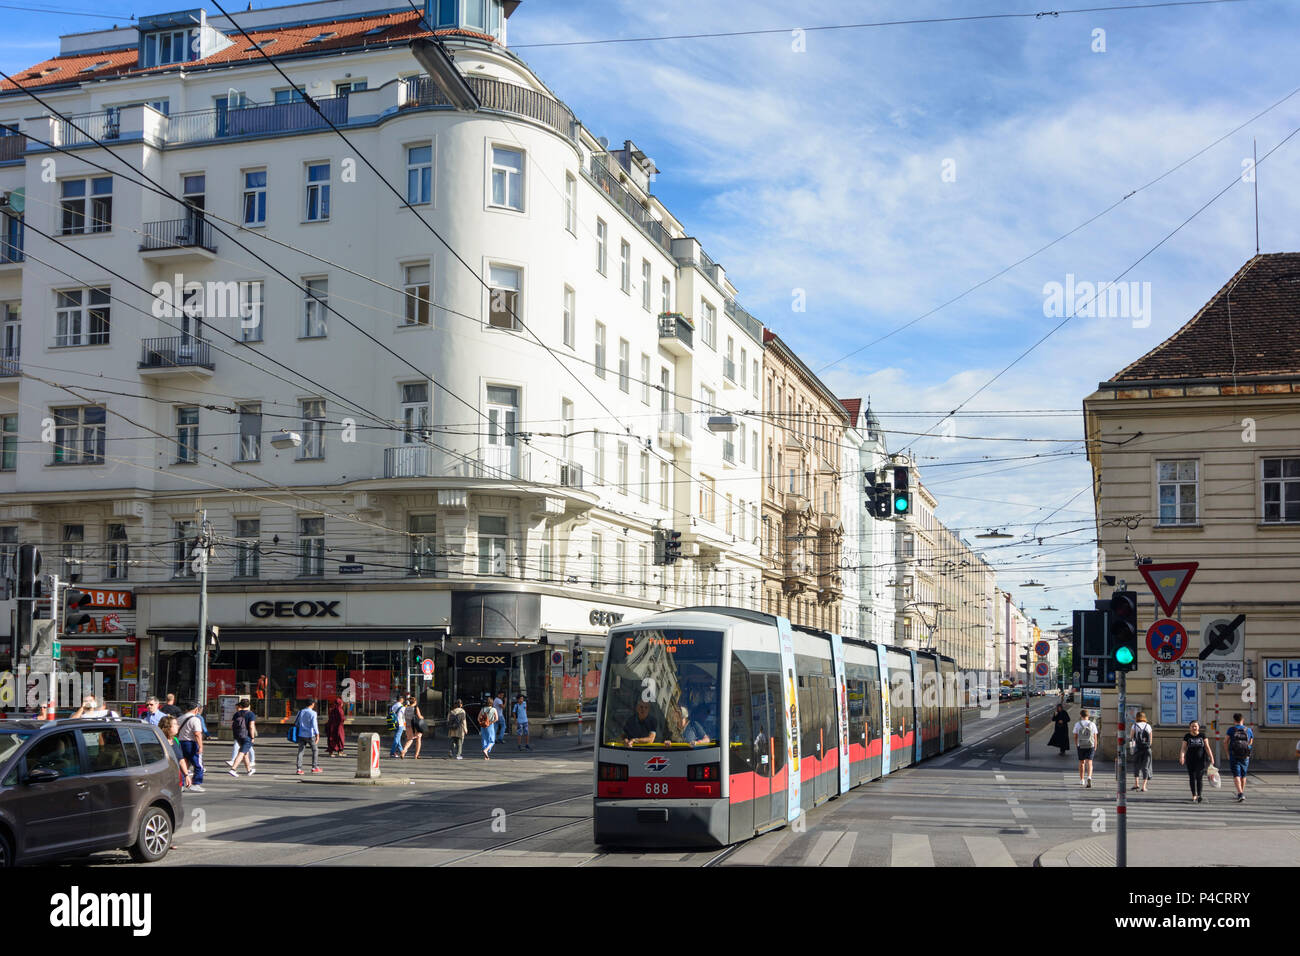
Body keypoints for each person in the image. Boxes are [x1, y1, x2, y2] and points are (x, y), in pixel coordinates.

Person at [1179, 719, 1215, 803]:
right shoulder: (1187, 736)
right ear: (1190, 727)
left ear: (1198, 727)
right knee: (1192, 777)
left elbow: (1207, 747)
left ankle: (1199, 795)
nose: (1194, 728)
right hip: (1190, 760)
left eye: (1196, 726)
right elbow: (1183, 748)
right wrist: (1182, 757)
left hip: (1201, 760)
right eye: (1192, 726)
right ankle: (1193, 795)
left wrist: (1212, 758)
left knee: (1199, 777)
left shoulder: (1203, 736)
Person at [175, 701, 206, 792]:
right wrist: (200, 746)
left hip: (181, 743)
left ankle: (181, 784)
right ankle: (196, 783)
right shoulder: (195, 719)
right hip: (191, 743)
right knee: (198, 764)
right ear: (196, 710)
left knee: (183, 763)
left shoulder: (179, 718)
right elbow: (197, 734)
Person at [1225, 713, 1253, 802]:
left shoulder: (1231, 730)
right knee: (1243, 774)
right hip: (1245, 755)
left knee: (1236, 774)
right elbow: (1250, 742)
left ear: (1234, 720)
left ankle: (1240, 793)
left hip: (1234, 754)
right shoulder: (1248, 730)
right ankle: (1241, 792)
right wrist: (1246, 748)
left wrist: (1227, 753)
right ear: (1242, 720)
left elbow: (1225, 741)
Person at [159, 716, 191, 789]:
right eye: (175, 724)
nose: (178, 726)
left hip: (176, 778)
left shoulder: (175, 740)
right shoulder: (160, 741)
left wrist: (186, 775)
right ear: (168, 727)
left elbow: (181, 759)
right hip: (163, 779)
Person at [227, 698, 256, 776]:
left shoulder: (237, 714)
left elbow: (232, 725)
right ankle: (233, 769)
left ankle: (249, 770)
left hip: (238, 735)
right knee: (241, 752)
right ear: (249, 705)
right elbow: (251, 726)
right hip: (247, 736)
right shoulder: (251, 714)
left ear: (240, 705)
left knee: (245, 753)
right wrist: (252, 737)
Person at [294, 698, 322, 775]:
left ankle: (299, 769)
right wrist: (317, 734)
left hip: (301, 734)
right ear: (312, 704)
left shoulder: (301, 712)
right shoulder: (313, 713)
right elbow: (314, 725)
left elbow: (296, 722)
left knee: (301, 751)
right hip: (310, 735)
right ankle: (314, 767)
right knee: (315, 750)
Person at [1073, 708, 1098, 788]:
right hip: (1090, 745)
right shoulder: (1092, 724)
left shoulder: (1077, 724)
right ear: (1088, 716)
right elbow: (1095, 736)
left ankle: (1082, 779)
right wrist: (1095, 745)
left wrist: (1076, 744)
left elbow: (1075, 736)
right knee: (1089, 762)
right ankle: (1089, 777)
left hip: (1081, 745)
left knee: (1082, 763)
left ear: (1081, 715)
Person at [1130, 710, 1153, 792]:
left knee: (1136, 766)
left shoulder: (1134, 726)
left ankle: (1136, 784)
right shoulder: (1148, 726)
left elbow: (1132, 738)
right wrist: (1147, 746)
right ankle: (1144, 786)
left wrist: (1132, 750)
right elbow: (1150, 741)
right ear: (1144, 717)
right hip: (1147, 749)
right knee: (1145, 767)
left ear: (1137, 717)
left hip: (1137, 749)